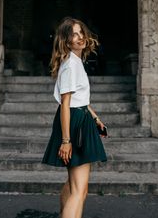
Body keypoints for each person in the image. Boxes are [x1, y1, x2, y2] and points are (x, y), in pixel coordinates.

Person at [42, 16, 107, 218]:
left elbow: (81, 99)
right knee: (80, 190)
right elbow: (66, 104)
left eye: (81, 32)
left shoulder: (75, 62)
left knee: (74, 185)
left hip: (81, 118)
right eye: (74, 35)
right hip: (74, 123)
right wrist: (66, 140)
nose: (80, 37)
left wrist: (96, 119)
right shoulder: (71, 65)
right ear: (66, 41)